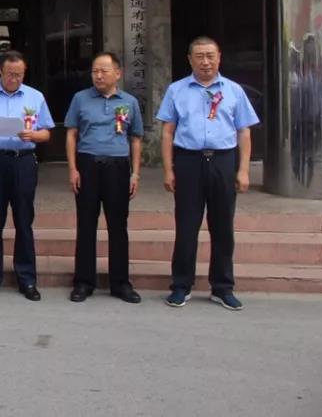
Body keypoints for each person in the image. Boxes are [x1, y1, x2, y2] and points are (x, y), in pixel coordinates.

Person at [157, 36, 259, 310]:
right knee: (186, 226)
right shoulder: (177, 90)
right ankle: (181, 286)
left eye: (210, 56)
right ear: (190, 60)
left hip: (223, 160)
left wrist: (243, 170)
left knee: (223, 227)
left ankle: (222, 287)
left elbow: (244, 131)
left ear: (219, 57)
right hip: (188, 161)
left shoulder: (234, 90)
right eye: (200, 56)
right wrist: (168, 170)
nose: (205, 62)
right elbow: (167, 132)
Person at [0, 50, 54, 302]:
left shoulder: (35, 96)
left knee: (24, 220)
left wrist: (33, 135)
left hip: (23, 161)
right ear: (0, 71)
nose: (14, 79)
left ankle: (27, 279)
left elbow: (47, 132)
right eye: (10, 74)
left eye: (19, 74)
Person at [64, 52, 144, 304]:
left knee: (118, 226)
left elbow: (136, 138)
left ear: (117, 73)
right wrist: (73, 169)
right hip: (87, 165)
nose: (98, 76)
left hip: (118, 167)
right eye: (94, 71)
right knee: (86, 224)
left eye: (104, 71)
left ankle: (120, 283)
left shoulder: (129, 101)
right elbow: (71, 134)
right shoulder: (80, 99)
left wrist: (135, 173)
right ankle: (83, 282)